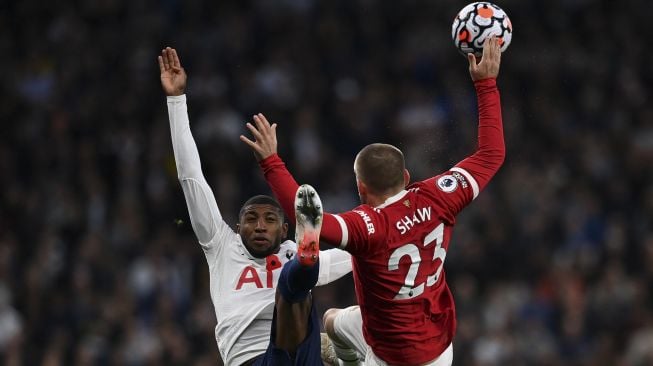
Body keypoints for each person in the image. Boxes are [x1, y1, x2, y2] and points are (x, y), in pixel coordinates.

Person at [240, 37, 505, 366]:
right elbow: (492, 153)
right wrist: (486, 83)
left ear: (361, 189)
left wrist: (270, 162)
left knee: (334, 323)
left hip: (389, 358)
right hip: (439, 349)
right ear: (406, 177)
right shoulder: (439, 196)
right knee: (332, 322)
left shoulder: (366, 228)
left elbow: (306, 213)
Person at [159, 47, 352, 366]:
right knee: (301, 282)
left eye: (269, 219)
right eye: (250, 219)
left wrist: (409, 221)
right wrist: (176, 101)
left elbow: (361, 248)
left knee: (308, 280)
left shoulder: (288, 250)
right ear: (237, 227)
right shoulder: (221, 245)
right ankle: (335, 341)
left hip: (299, 352)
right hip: (253, 359)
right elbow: (190, 175)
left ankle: (338, 335)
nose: (259, 225)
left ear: (285, 228)